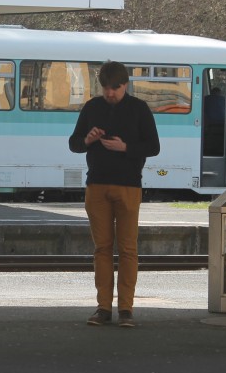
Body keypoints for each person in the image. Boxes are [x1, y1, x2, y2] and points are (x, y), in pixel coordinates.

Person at [68, 61, 160, 327]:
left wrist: (125, 147)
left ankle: (127, 309)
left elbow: (153, 147)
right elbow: (74, 144)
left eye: (116, 89)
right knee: (102, 249)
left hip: (129, 185)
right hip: (96, 185)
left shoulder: (139, 109)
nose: (110, 94)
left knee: (128, 249)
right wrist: (88, 139)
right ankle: (103, 308)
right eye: (106, 88)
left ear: (126, 85)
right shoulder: (92, 108)